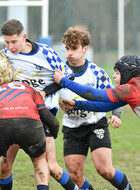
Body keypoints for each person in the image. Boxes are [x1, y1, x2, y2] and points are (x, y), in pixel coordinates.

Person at [0, 19, 78, 190]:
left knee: (51, 167)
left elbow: (68, 77)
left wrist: (44, 92)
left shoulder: (45, 52)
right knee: (4, 165)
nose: (10, 46)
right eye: (6, 42)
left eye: (14, 41)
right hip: (17, 113)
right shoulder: (4, 56)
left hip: (43, 113)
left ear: (24, 37)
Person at [54, 27, 132, 190]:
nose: (69, 53)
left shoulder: (97, 73)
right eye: (67, 49)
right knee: (75, 176)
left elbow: (114, 95)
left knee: (105, 170)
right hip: (72, 128)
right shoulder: (59, 73)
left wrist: (116, 114)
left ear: (85, 49)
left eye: (74, 49)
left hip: (96, 125)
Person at [0, 80, 60, 190]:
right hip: (30, 123)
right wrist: (53, 135)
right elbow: (52, 121)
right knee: (39, 162)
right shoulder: (29, 89)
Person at [54, 55, 140, 119]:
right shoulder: (132, 89)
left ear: (128, 73)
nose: (114, 76)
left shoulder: (130, 89)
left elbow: (94, 94)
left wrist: (64, 81)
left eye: (117, 73)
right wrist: (77, 105)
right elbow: (106, 106)